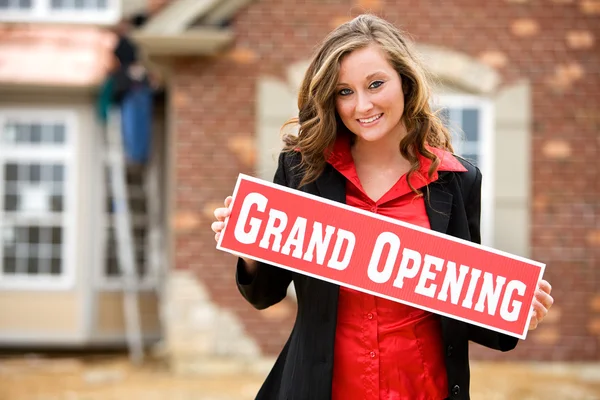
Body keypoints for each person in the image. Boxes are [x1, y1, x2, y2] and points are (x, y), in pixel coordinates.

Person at [211, 14, 553, 400]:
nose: (362, 105)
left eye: (376, 84)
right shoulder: (302, 171)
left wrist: (513, 308)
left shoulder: (457, 180)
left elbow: (458, 302)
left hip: (422, 390)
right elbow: (265, 294)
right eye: (344, 92)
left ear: (405, 82)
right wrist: (250, 251)